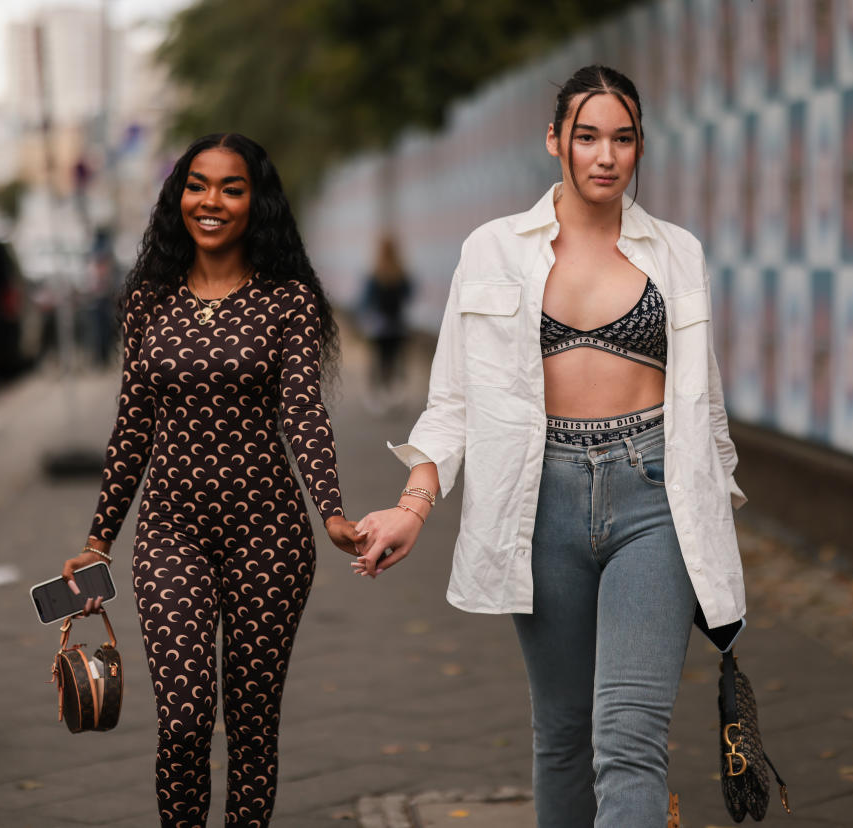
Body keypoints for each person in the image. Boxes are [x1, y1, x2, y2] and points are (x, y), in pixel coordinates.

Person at [352, 66, 748, 827]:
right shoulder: (495, 249)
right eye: (588, 136)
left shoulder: (678, 254)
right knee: (564, 735)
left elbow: (708, 404)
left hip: (654, 498)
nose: (606, 155)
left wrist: (713, 521)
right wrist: (413, 506)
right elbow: (454, 400)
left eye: (623, 138)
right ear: (554, 141)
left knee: (629, 738)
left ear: (639, 147)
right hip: (540, 505)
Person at [61, 132, 361, 827]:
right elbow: (132, 427)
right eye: (198, 185)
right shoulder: (147, 302)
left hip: (272, 539)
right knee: (185, 716)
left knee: (253, 729)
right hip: (171, 534)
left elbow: (303, 413)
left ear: (257, 203)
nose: (212, 201)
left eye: (231, 187)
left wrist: (334, 514)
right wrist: (99, 540)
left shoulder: (287, 302)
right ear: (178, 196)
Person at [357, 236, 413, 399]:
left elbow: (366, 301)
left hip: (379, 325)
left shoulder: (375, 274)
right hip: (398, 324)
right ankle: (395, 391)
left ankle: (379, 393)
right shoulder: (402, 273)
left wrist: (363, 319)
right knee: (395, 358)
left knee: (379, 358)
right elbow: (409, 295)